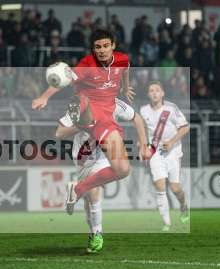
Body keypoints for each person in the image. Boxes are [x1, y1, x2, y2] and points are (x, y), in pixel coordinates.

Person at [33, 29, 150, 203]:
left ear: (113, 46)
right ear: (93, 49)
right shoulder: (87, 65)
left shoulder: (122, 59)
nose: (101, 50)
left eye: (105, 46)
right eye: (97, 47)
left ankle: (78, 188)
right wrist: (44, 96)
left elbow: (125, 70)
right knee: (66, 124)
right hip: (85, 104)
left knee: (123, 170)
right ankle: (82, 118)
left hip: (106, 117)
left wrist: (125, 88)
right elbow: (65, 80)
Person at [56, 98, 149, 253]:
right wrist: (84, 125)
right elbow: (59, 132)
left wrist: (144, 144)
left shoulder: (113, 102)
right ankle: (93, 232)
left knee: (94, 190)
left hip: (104, 156)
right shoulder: (79, 105)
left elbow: (137, 118)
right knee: (88, 203)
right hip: (82, 158)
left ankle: (98, 233)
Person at [140, 81, 190, 231]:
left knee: (175, 189)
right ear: (148, 94)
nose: (154, 93)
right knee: (160, 186)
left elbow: (185, 127)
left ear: (162, 93)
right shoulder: (143, 111)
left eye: (157, 90)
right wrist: (142, 147)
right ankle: (166, 223)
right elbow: (141, 132)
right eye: (151, 90)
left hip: (173, 151)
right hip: (154, 151)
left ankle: (183, 205)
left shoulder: (171, 108)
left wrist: (172, 141)